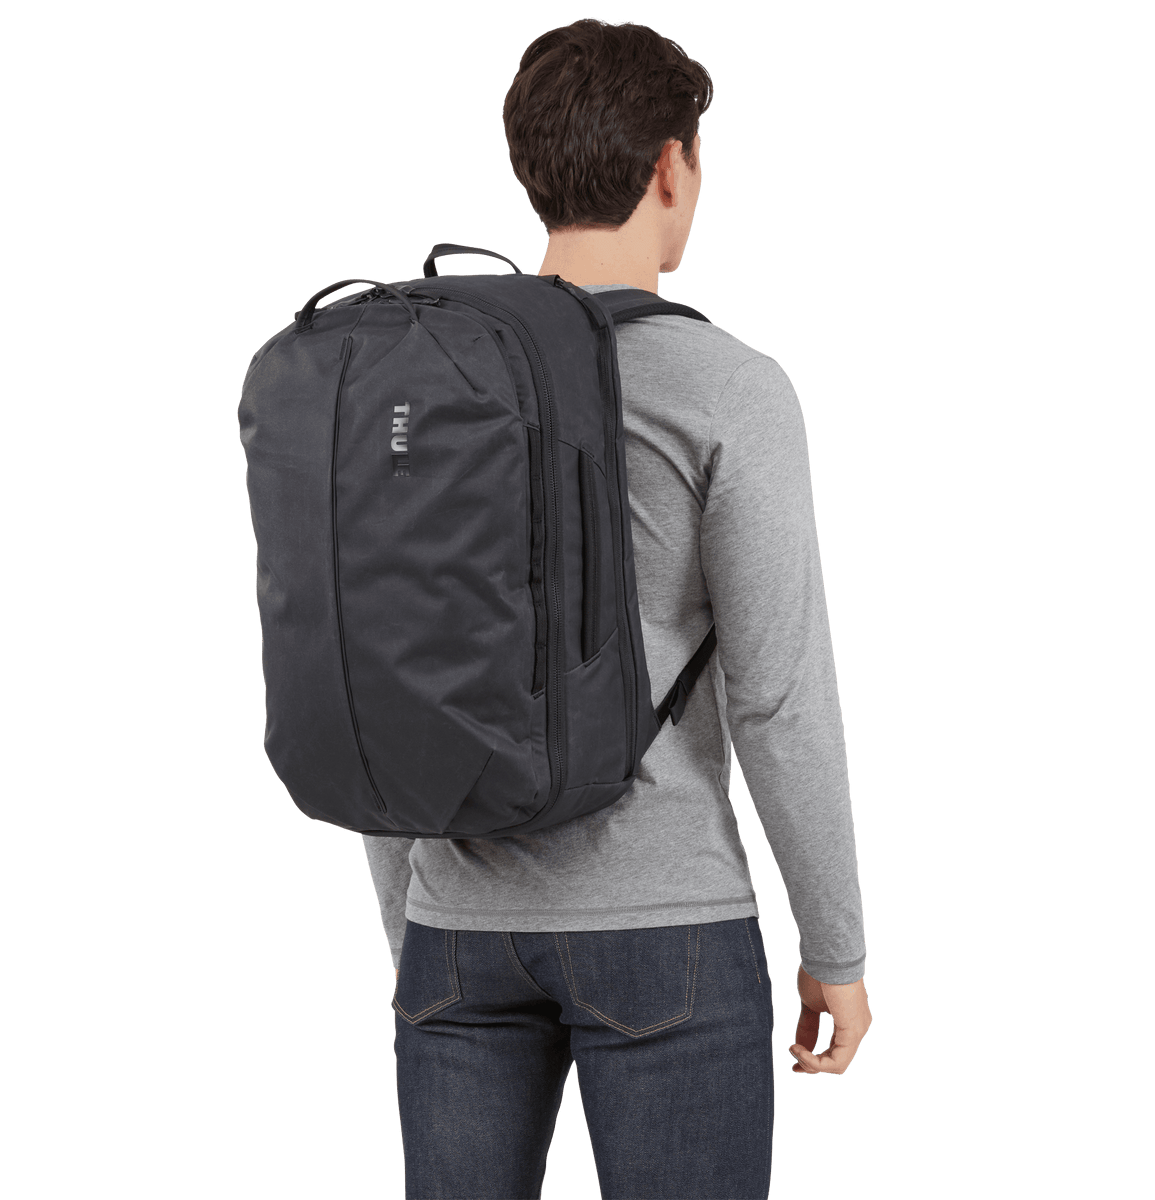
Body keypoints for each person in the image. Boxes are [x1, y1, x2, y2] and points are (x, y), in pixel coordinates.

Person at [362, 18, 872, 1199]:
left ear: (530, 169)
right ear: (670, 167)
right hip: (665, 928)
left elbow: (379, 667)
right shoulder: (728, 385)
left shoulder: (418, 377)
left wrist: (421, 928)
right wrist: (836, 948)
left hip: (456, 931)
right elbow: (781, 698)